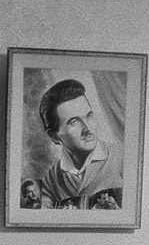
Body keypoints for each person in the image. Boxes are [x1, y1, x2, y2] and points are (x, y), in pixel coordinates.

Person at [38, 79, 123, 209]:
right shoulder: (51, 180)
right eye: (74, 122)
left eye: (89, 115)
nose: (87, 128)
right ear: (54, 136)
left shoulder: (122, 158)